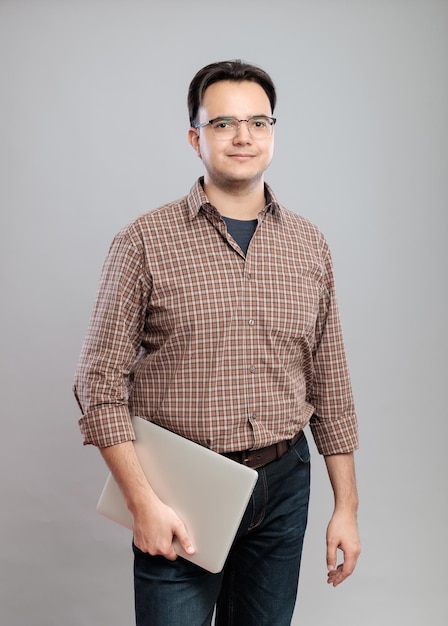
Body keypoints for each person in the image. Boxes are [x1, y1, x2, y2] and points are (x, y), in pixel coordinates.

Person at [74, 59, 361, 626]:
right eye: (223, 123)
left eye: (259, 122)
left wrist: (347, 507)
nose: (243, 137)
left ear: (273, 133)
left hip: (283, 485)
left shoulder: (309, 244)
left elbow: (330, 381)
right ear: (194, 136)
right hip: (181, 488)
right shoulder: (144, 240)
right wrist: (142, 501)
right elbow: (98, 382)